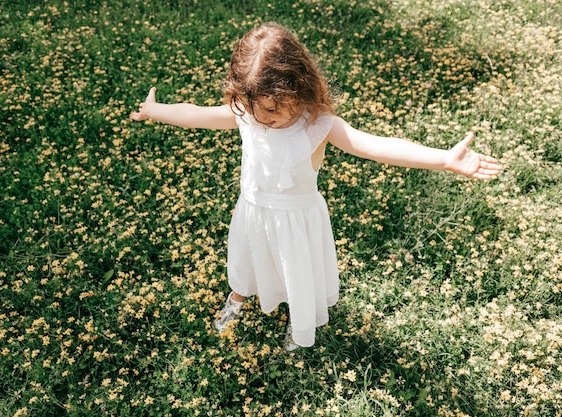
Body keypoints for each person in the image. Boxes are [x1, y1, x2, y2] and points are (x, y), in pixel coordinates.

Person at [131, 22, 502, 351]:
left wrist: (443, 158)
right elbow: (194, 114)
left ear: (300, 89)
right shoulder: (246, 113)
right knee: (247, 261)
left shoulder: (320, 125)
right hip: (254, 211)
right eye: (257, 110)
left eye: (275, 110)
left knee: (296, 274)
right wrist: (155, 110)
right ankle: (238, 298)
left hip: (296, 221)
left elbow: (378, 146)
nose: (266, 120)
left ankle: (300, 318)